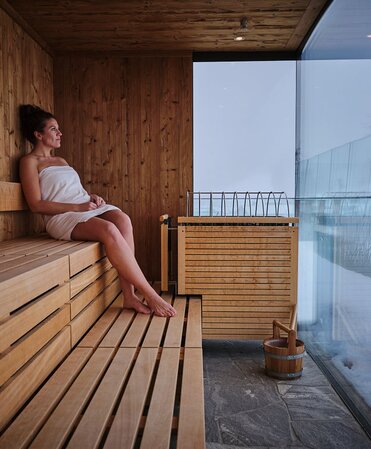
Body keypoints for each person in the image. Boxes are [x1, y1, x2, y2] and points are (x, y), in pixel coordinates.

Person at [19, 104, 176, 317]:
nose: (60, 133)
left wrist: (90, 196)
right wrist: (78, 206)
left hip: (83, 207)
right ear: (38, 134)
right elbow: (36, 205)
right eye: (54, 129)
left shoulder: (61, 161)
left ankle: (129, 295)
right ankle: (150, 294)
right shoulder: (29, 162)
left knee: (123, 220)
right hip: (62, 217)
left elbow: (73, 190)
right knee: (109, 230)